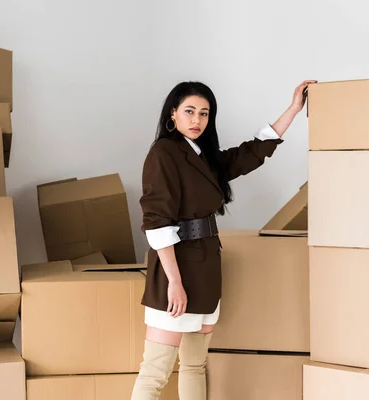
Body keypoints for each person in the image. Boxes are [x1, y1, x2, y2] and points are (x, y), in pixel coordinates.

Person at [131, 79, 316, 400]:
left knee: (194, 365)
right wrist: (174, 282)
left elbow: (251, 153)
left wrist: (294, 109)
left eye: (204, 113)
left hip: (205, 264)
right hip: (175, 268)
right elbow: (157, 222)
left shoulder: (203, 155)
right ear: (172, 114)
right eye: (189, 111)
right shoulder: (164, 153)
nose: (196, 120)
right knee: (156, 370)